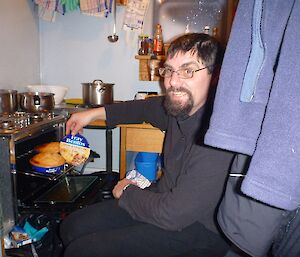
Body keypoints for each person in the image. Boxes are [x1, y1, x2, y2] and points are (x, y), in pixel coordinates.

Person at [59, 33, 234, 257]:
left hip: (200, 230)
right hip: (164, 200)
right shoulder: (180, 108)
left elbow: (174, 214)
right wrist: (92, 114)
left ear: (215, 74)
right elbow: (143, 109)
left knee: (82, 251)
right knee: (72, 227)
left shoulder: (217, 136)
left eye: (187, 71)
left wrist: (128, 192)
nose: (172, 81)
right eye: (169, 70)